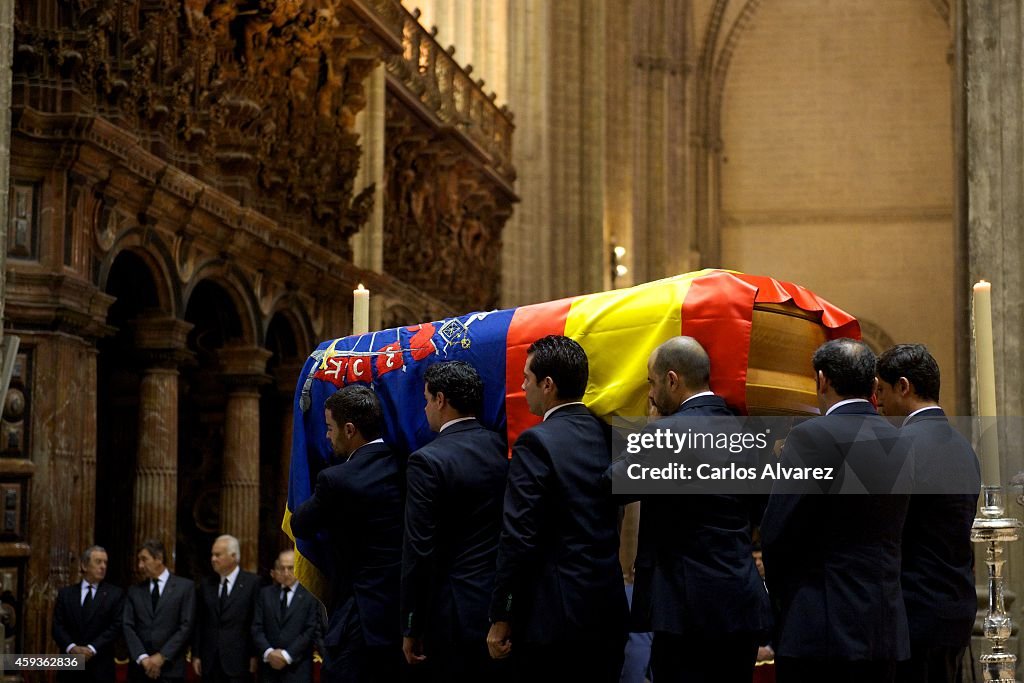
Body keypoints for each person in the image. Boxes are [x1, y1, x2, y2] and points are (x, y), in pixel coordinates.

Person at [605, 336, 770, 682]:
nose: (650, 394)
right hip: (740, 601)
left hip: (685, 610)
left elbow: (610, 485)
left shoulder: (666, 433)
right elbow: (760, 508)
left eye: (651, 382)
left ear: (672, 380)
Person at [760, 339, 911, 683]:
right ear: (873, 384)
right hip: (884, 624)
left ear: (822, 379)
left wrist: (784, 600)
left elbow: (776, 532)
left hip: (821, 626)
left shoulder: (810, 437)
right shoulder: (902, 440)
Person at [486, 335, 627, 682]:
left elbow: (519, 536)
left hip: (554, 619)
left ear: (548, 385)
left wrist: (502, 615)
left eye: (526, 378)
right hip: (608, 608)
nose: (522, 387)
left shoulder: (536, 442)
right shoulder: (611, 435)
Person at [876, 344, 980, 683]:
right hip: (956, 607)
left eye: (881, 391)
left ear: (903, 387)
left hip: (914, 611)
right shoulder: (964, 447)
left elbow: (886, 534)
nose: (877, 402)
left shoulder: (900, 446)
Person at [401, 361, 509, 682]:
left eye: (426, 398)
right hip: (500, 607)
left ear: (441, 400)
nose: (424, 407)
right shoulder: (504, 447)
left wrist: (411, 625)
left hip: (450, 616)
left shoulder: (426, 460)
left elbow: (418, 552)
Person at [290, 384, 403, 683]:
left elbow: (300, 523)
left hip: (356, 617)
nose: (326, 436)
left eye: (329, 427)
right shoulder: (404, 464)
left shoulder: (336, 479)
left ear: (349, 429)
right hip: (401, 614)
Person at [123, 539, 196, 683]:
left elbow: (186, 626)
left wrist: (161, 656)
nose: (140, 566)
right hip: (139, 670)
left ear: (159, 558)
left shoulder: (185, 588)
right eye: (139, 560)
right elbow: (127, 626)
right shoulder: (134, 591)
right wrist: (143, 658)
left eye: (144, 560)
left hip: (171, 669)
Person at [52, 545, 125, 683]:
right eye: (98, 562)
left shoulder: (115, 594)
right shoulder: (66, 594)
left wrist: (91, 649)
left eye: (105, 562)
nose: (103, 566)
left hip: (100, 666)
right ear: (84, 566)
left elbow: (116, 626)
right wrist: (72, 648)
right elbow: (57, 626)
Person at [193, 535, 260, 682]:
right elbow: (200, 622)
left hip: (239, 660)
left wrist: (255, 655)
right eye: (212, 554)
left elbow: (255, 621)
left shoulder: (252, 583)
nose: (213, 559)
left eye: (218, 555)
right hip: (209, 660)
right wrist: (197, 654)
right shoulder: (206, 584)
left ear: (234, 556)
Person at [252, 549, 323, 683]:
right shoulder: (265, 594)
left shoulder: (310, 595)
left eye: (290, 568)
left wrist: (286, 656)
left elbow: (310, 630)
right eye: (282, 568)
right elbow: (256, 627)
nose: (286, 573)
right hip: (268, 669)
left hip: (297, 669)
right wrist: (269, 653)